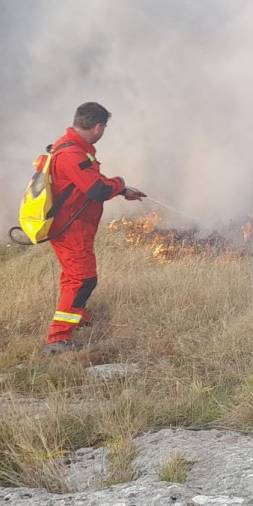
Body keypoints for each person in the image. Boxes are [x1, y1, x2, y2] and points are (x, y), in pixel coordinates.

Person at [41, 102, 146, 354]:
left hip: (75, 227)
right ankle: (58, 338)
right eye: (104, 128)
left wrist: (121, 190)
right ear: (98, 127)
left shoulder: (73, 147)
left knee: (73, 277)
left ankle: (77, 315)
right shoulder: (72, 153)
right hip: (71, 228)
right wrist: (119, 182)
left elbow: (90, 182)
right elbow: (97, 190)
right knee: (83, 279)